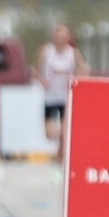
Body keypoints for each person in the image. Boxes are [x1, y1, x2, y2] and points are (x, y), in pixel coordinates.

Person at [36, 24, 89, 158]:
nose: (60, 36)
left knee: (64, 133)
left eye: (63, 34)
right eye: (57, 33)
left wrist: (77, 77)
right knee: (49, 134)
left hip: (66, 97)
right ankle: (59, 154)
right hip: (50, 97)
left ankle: (61, 161)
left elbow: (84, 71)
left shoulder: (73, 53)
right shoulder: (46, 51)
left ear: (69, 36)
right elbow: (36, 71)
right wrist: (42, 81)